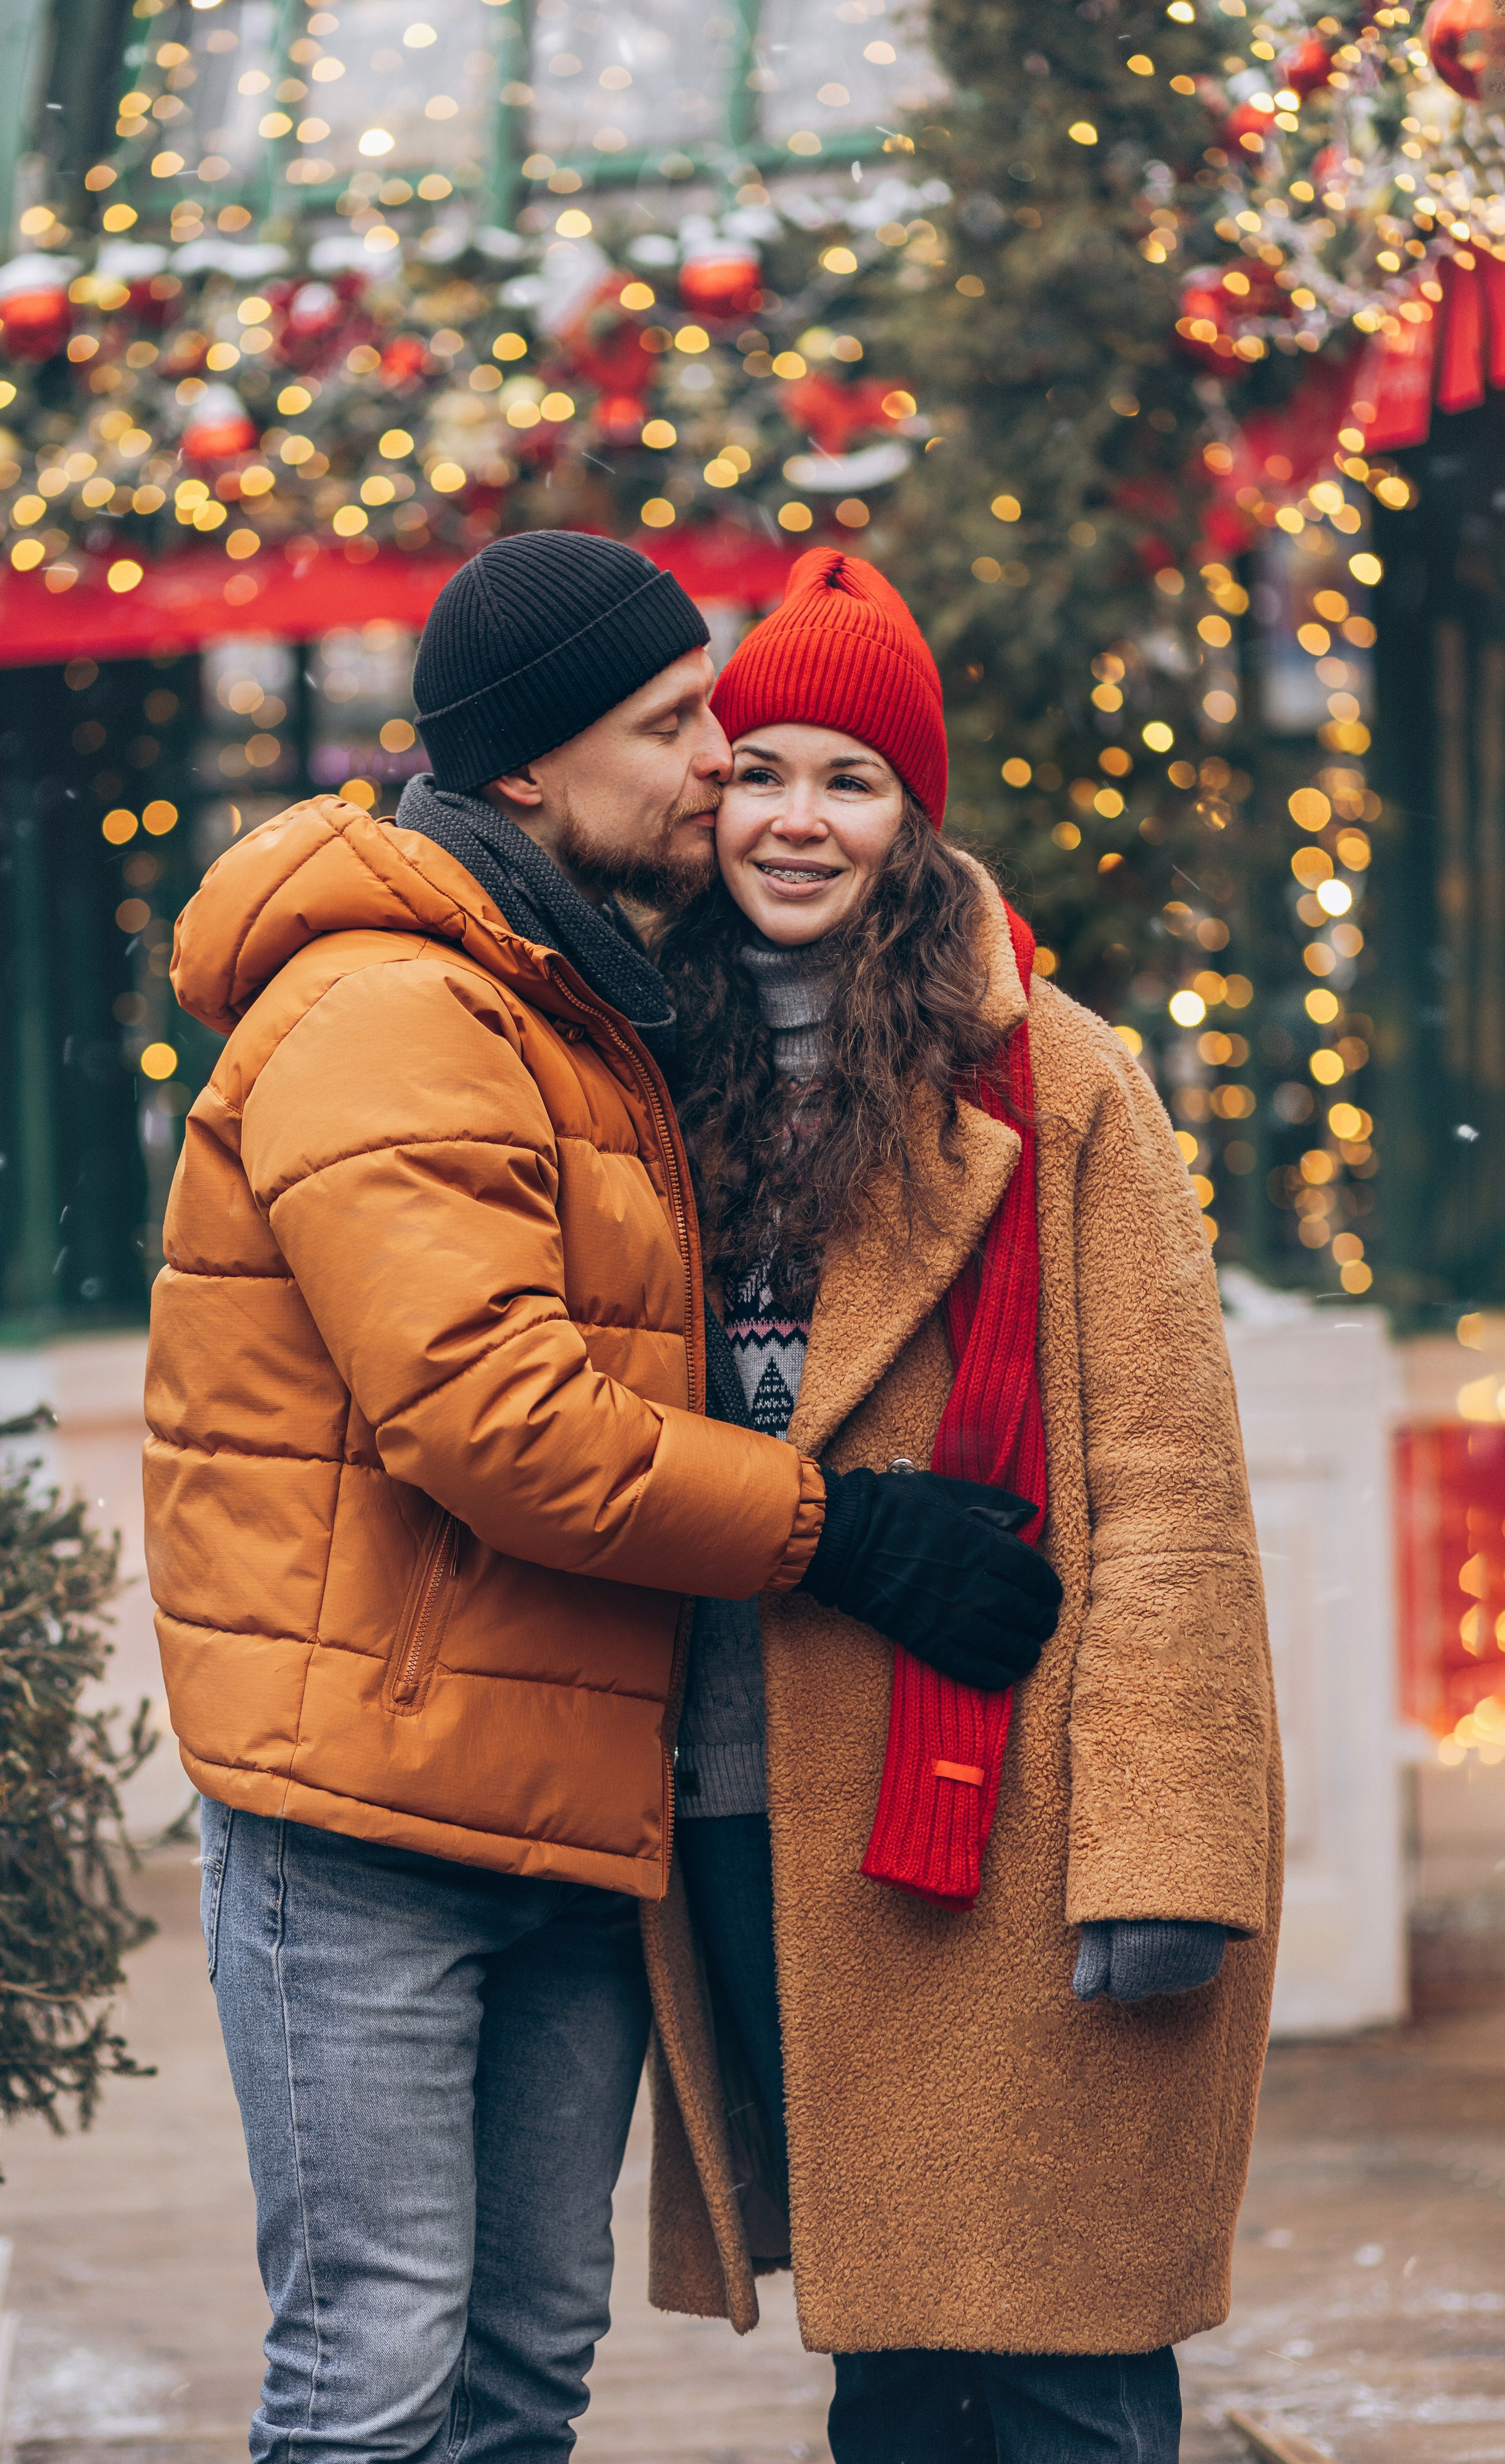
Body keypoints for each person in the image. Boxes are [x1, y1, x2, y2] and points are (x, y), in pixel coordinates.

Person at [142, 531, 1061, 2463]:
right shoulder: (395, 1005)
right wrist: (843, 1531)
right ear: (537, 769)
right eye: (674, 725)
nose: (722, 762)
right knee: (378, 2372)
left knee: (515, 2376)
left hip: (556, 1809)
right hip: (365, 1813)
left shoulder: (572, 997)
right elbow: (496, 1418)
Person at [649, 548, 1284, 2464]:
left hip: (1003, 1799)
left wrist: (1172, 1847)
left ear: (911, 815)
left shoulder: (1056, 1077)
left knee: (1067, 2344)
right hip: (747, 1792)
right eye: (761, 768)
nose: (796, 819)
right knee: (896, 2357)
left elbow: (1171, 1479)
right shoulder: (641, 1062)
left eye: (849, 779)